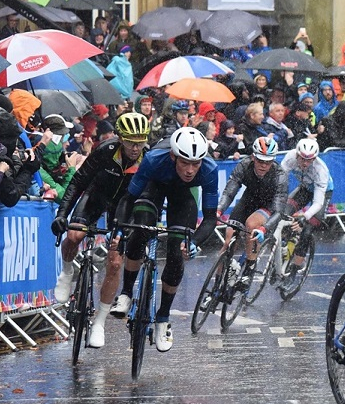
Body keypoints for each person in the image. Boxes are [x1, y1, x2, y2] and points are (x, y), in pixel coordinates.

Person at [111, 127, 219, 352]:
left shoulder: (209, 169)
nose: (190, 170)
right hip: (154, 188)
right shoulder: (154, 159)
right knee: (141, 228)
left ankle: (162, 317)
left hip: (183, 197)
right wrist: (120, 230)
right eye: (184, 163)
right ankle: (126, 293)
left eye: (195, 163)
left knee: (176, 252)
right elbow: (129, 198)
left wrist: (193, 243)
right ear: (173, 156)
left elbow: (210, 219)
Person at [51, 113, 150, 348]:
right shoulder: (106, 150)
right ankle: (66, 273)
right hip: (97, 196)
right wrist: (62, 214)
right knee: (74, 234)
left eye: (140, 142)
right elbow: (78, 182)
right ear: (119, 138)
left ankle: (99, 323)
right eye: (130, 142)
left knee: (115, 262)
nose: (135, 148)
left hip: (125, 206)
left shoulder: (148, 157)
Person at [216, 137, 288, 291]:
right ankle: (215, 289)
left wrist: (265, 228)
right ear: (253, 156)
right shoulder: (245, 164)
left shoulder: (280, 175)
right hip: (248, 200)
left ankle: (250, 267)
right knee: (228, 242)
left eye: (268, 162)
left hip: (269, 205)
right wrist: (219, 209)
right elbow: (230, 191)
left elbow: (278, 210)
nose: (263, 165)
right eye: (260, 160)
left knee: (252, 225)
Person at [278, 139, 333, 277]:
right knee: (283, 212)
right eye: (302, 159)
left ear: (315, 158)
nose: (305, 163)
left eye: (309, 160)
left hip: (322, 193)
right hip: (305, 189)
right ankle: (287, 243)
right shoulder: (290, 157)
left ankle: (295, 270)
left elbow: (318, 203)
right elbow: (279, 181)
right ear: (297, 154)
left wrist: (305, 217)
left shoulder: (321, 170)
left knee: (307, 229)